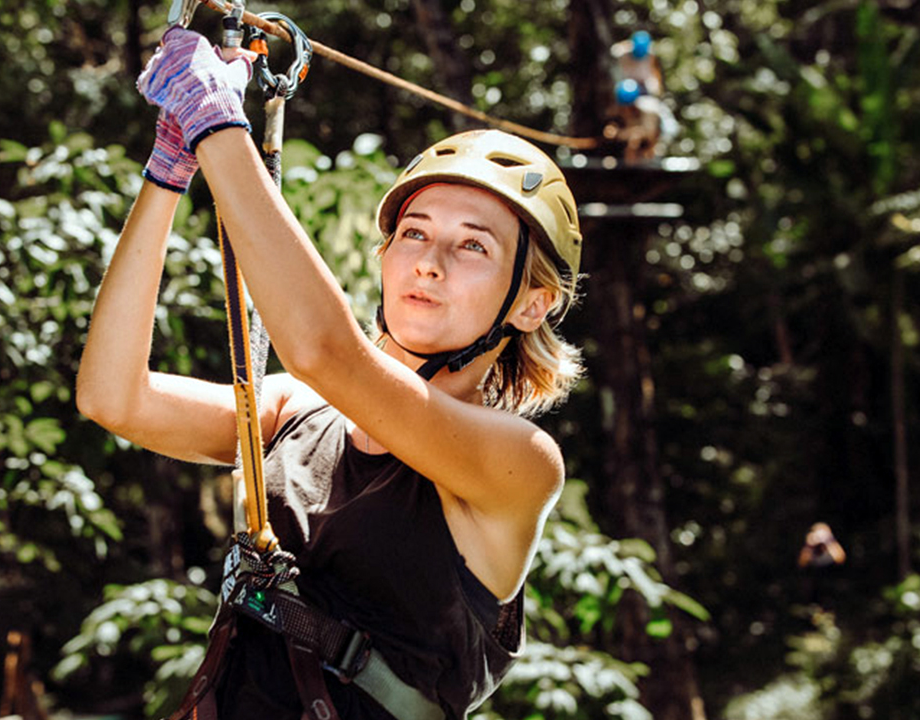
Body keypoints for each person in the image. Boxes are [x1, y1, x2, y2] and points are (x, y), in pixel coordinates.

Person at [76, 25, 584, 720]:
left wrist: (218, 128)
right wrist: (169, 172)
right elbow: (113, 397)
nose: (429, 261)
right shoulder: (296, 409)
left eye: (472, 246)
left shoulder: (518, 464)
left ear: (532, 303)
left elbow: (325, 351)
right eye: (414, 232)